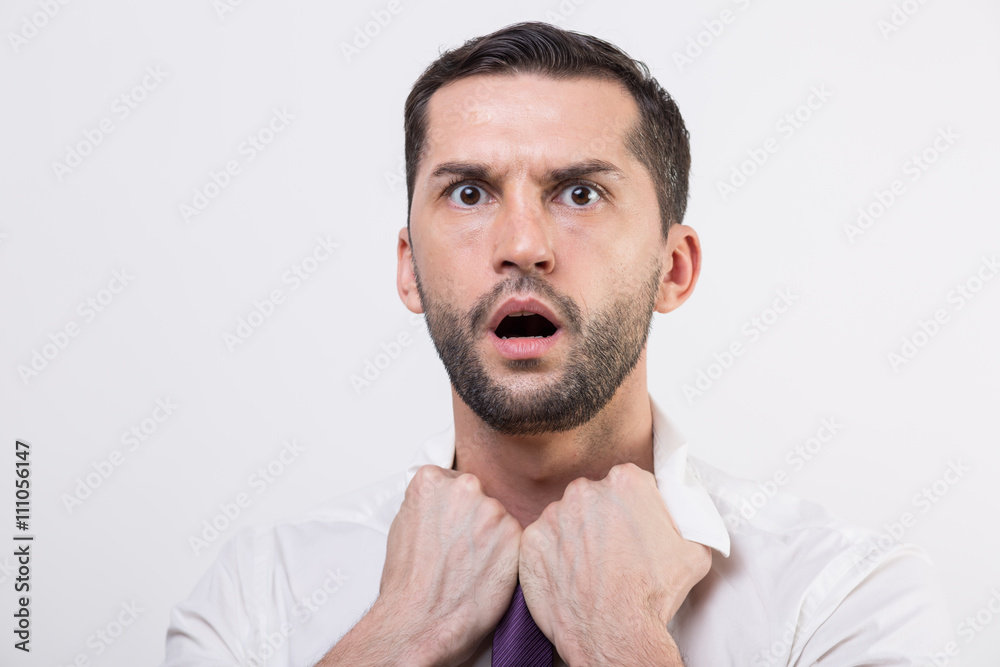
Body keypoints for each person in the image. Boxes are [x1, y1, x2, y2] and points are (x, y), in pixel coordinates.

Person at [163, 21, 955, 666]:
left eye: (580, 192)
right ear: (410, 270)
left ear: (672, 269)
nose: (522, 243)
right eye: (468, 193)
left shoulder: (846, 600)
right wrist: (399, 635)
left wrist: (622, 643)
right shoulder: (258, 598)